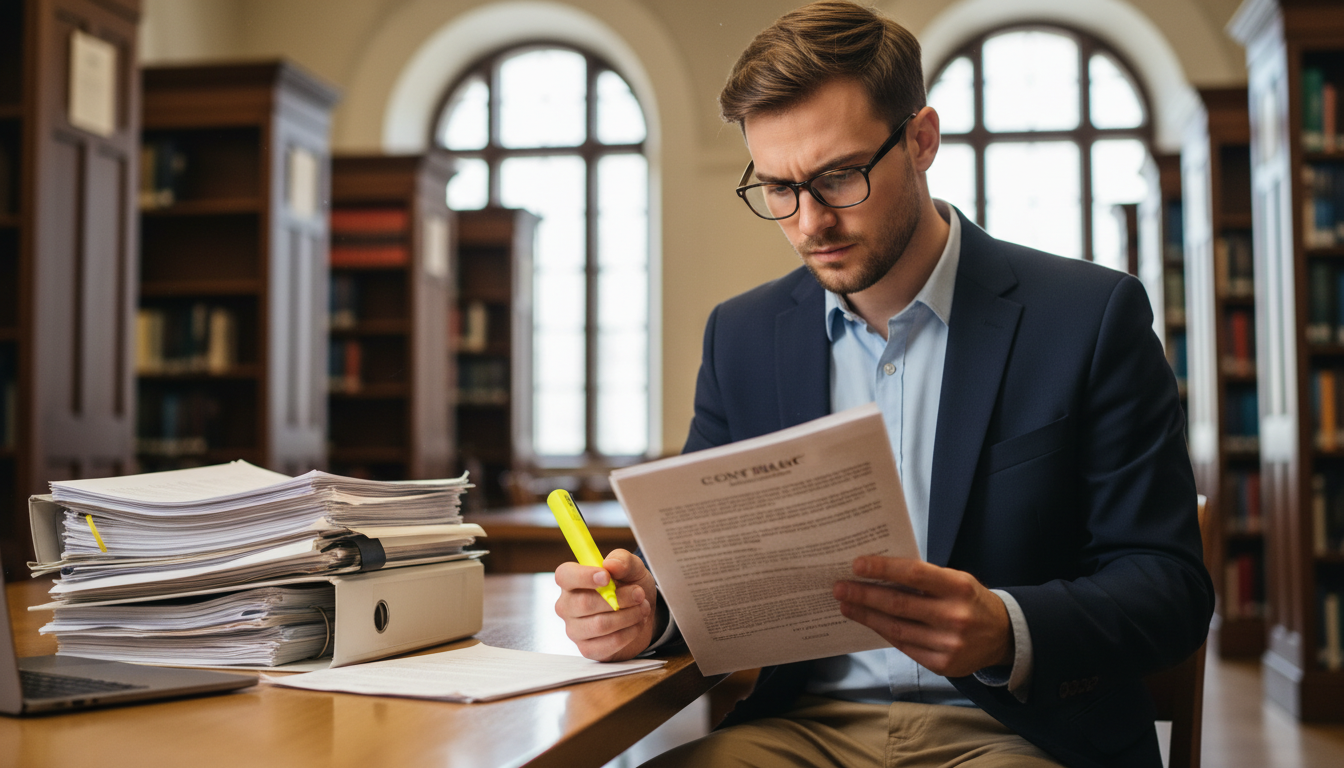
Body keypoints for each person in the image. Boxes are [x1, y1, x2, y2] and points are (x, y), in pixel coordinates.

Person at [553, 2, 1213, 766]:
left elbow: (1170, 590)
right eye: (777, 188)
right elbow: (702, 577)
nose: (808, 223)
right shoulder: (740, 338)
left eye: (838, 177)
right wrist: (645, 612)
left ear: (922, 140)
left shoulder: (1089, 318)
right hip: (798, 730)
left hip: (1021, 733)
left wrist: (1006, 626)